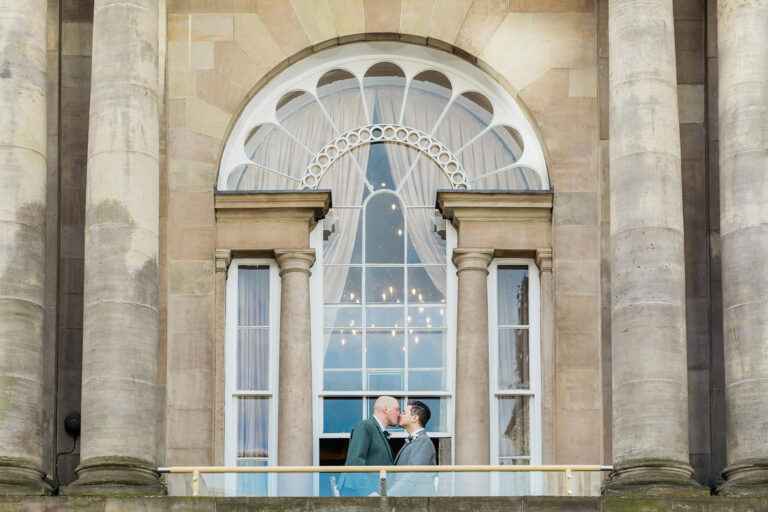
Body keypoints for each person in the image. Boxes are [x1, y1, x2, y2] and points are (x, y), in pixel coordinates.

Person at [337, 396, 400, 496]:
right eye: (397, 409)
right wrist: (368, 492)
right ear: (386, 409)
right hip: (358, 492)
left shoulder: (378, 430)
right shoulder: (365, 425)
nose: (399, 414)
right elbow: (355, 461)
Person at [387, 400, 437, 496]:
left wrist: (388, 496)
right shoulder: (415, 440)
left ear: (414, 418)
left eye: (404, 413)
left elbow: (413, 474)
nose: (400, 415)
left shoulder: (423, 441)